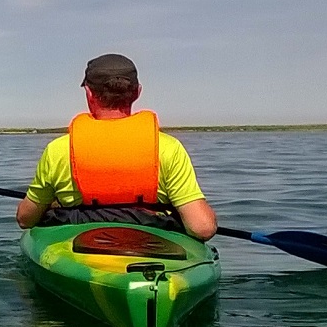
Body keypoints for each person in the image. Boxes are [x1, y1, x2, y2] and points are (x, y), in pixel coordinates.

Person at [16, 54, 217, 240]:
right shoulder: (168, 149)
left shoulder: (58, 150)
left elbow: (25, 219)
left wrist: (53, 205)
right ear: (137, 92)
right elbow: (202, 227)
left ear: (89, 93)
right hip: (150, 247)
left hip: (78, 246)